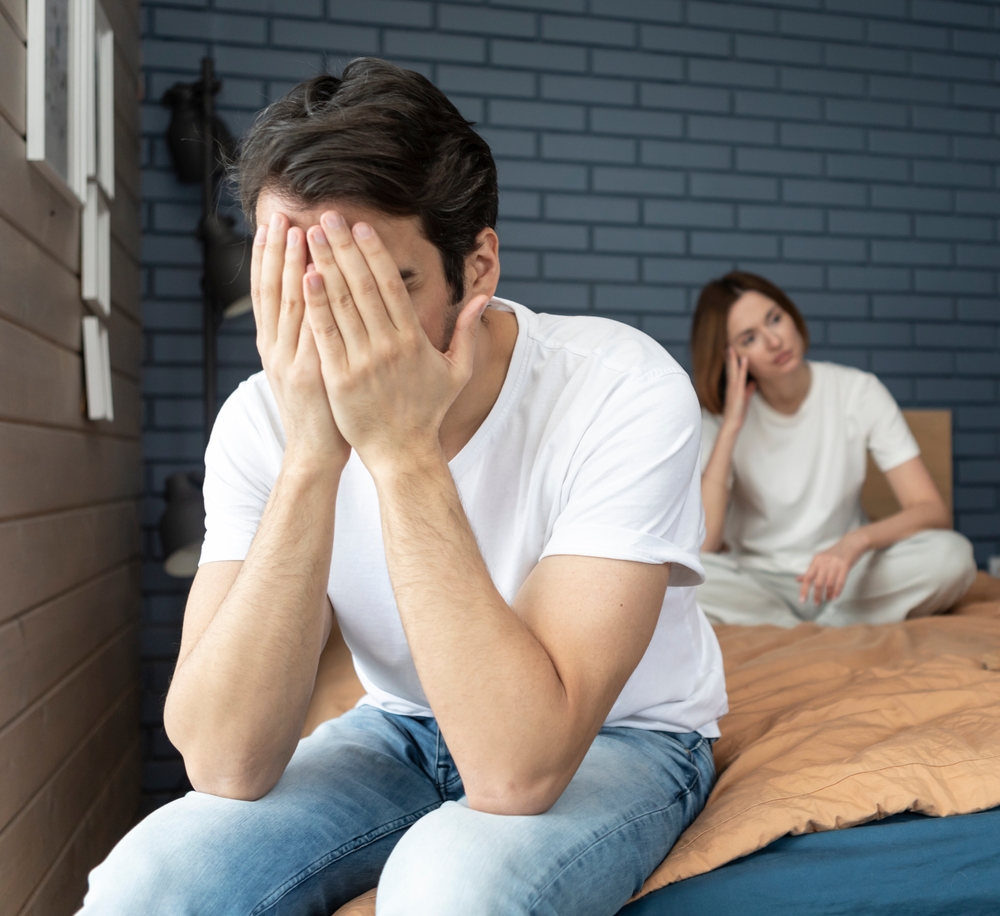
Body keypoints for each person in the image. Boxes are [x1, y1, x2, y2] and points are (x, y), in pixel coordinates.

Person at [81, 59, 726, 916]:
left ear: (478, 266)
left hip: (622, 736)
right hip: (401, 728)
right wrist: (311, 452)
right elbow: (225, 761)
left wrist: (404, 452)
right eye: (295, 277)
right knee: (147, 881)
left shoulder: (622, 387)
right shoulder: (260, 417)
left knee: (448, 886)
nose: (331, 322)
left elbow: (516, 770)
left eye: (379, 284)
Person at [692, 271, 976, 629]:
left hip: (847, 578)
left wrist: (855, 542)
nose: (775, 341)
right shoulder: (718, 421)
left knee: (952, 556)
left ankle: (810, 628)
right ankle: (805, 628)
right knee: (680, 578)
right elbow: (705, 543)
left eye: (775, 319)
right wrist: (732, 425)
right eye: (750, 338)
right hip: (761, 584)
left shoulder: (858, 391)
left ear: (791, 315)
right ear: (729, 357)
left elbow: (932, 510)